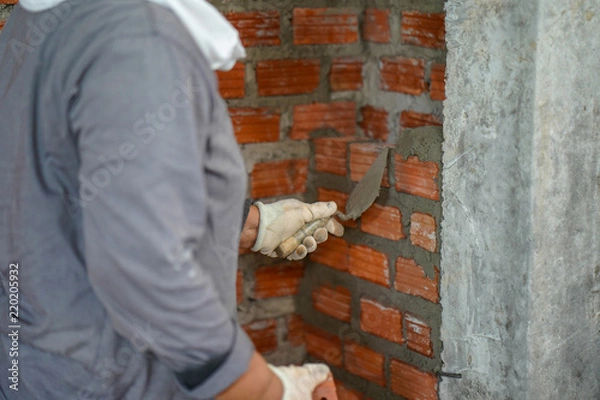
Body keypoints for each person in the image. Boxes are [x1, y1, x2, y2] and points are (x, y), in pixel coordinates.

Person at [0, 0, 344, 399]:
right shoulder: (137, 38)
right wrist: (268, 390)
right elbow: (142, 265)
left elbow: (57, 191)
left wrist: (250, 226)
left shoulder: (38, 19)